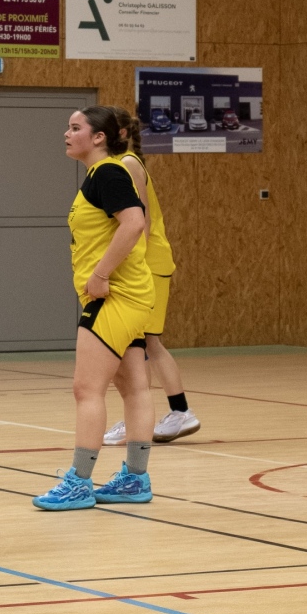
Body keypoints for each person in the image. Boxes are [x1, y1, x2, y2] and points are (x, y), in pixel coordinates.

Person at [34, 106, 156, 510]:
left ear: (99, 137)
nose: (66, 134)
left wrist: (101, 274)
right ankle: (135, 479)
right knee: (134, 387)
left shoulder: (107, 173)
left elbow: (135, 223)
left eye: (75, 128)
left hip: (114, 296)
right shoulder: (101, 175)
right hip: (131, 295)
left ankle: (79, 482)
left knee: (86, 389)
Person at [102, 109, 201, 448]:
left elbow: (139, 219)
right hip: (145, 263)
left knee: (144, 343)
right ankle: (157, 414)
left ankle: (176, 412)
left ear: (120, 133)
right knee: (141, 344)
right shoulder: (119, 164)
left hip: (148, 263)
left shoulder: (128, 164)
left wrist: (135, 265)